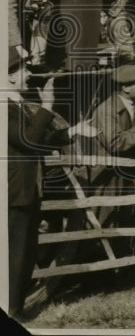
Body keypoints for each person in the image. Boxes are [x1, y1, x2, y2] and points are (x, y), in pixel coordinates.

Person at [6, 47, 78, 320]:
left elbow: (37, 140)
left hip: (25, 191)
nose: (29, 74)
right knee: (14, 256)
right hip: (13, 193)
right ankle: (11, 311)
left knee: (25, 254)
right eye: (24, 69)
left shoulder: (16, 103)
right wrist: (47, 106)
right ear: (10, 76)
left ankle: (15, 308)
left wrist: (70, 132)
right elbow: (28, 141)